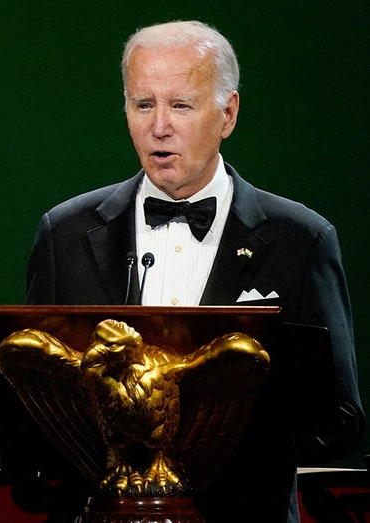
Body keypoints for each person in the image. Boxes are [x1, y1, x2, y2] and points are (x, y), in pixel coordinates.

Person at [25, 21, 364, 522]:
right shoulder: (65, 233)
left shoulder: (301, 240)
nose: (159, 126)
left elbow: (338, 420)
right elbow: (33, 422)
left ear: (227, 114)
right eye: (144, 105)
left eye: (180, 105)